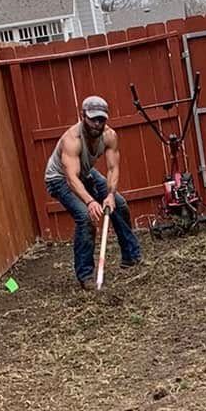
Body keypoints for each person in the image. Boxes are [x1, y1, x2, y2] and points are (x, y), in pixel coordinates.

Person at [45, 95, 142, 289]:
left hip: (86, 172)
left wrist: (110, 195)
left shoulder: (109, 136)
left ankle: (131, 257)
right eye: (93, 119)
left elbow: (113, 168)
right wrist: (90, 202)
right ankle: (86, 276)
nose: (97, 124)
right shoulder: (72, 140)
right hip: (59, 179)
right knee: (86, 218)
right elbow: (71, 178)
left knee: (120, 204)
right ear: (83, 116)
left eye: (101, 119)